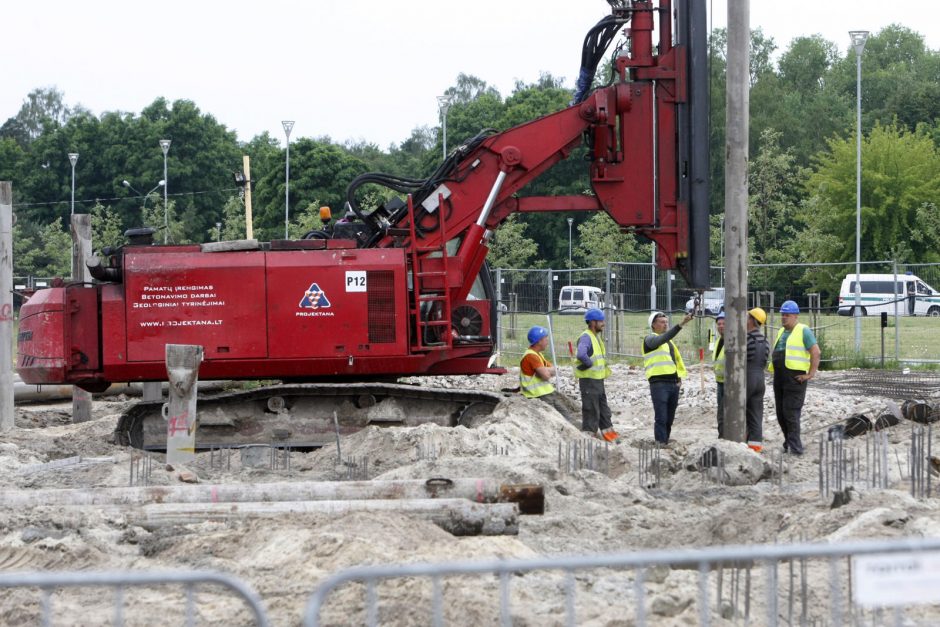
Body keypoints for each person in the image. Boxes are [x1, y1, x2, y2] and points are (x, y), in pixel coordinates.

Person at [770, 300, 821, 455]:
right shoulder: (781, 332)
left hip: (795, 378)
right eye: (782, 315)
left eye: (787, 315)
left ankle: (796, 448)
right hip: (780, 377)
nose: (783, 317)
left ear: (795, 316)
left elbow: (816, 352)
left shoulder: (803, 330)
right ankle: (788, 442)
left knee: (790, 413)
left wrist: (810, 374)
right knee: (780, 413)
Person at [643, 310, 694, 445]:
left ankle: (665, 439)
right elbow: (663, 338)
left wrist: (678, 379)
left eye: (666, 322)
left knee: (669, 417)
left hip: (672, 384)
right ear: (653, 325)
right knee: (661, 416)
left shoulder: (669, 344)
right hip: (659, 384)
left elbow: (674, 361)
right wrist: (681, 323)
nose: (665, 324)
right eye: (662, 322)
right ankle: (660, 442)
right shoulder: (650, 339)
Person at [575, 309, 618, 442]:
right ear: (593, 322)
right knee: (591, 411)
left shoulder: (594, 337)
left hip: (597, 381)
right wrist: (588, 364)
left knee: (604, 412)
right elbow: (581, 354)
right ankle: (588, 441)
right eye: (601, 321)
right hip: (589, 381)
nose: (603, 323)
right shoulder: (586, 337)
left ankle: (612, 439)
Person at [519, 325, 576, 425]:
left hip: (547, 393)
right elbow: (546, 375)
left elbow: (554, 370)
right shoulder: (531, 356)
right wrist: (547, 371)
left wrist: (546, 370)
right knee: (554, 420)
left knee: (566, 416)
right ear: (539, 341)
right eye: (546, 338)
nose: (547, 341)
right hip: (538, 396)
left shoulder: (538, 354)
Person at [745, 308, 770, 452]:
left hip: (747, 378)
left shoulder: (746, 338)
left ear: (752, 320)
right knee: (755, 414)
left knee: (738, 411)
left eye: (747, 317)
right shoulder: (765, 340)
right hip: (760, 379)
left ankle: (737, 443)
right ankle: (755, 447)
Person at [712, 312, 726, 438]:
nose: (721, 326)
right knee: (720, 410)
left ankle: (725, 435)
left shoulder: (732, 341)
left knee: (725, 411)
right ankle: (721, 435)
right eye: (719, 324)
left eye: (723, 323)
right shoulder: (719, 341)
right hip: (720, 381)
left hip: (729, 383)